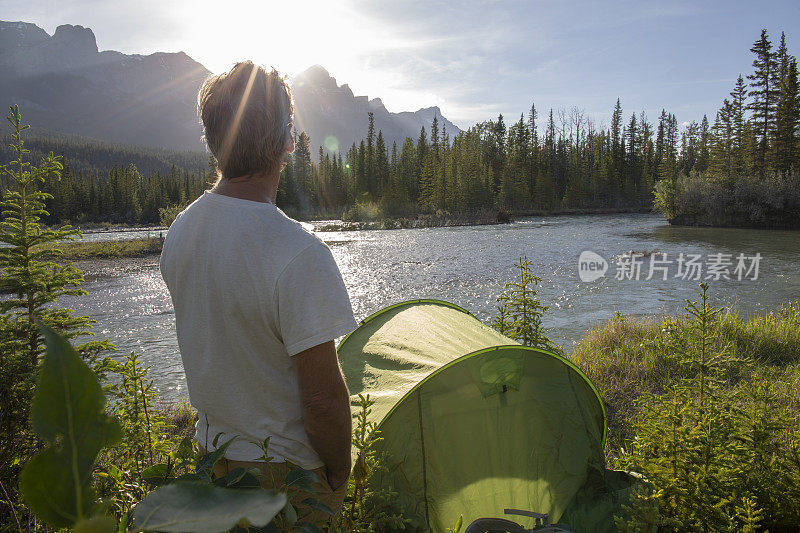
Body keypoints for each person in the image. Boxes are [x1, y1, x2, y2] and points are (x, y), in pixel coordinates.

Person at [159, 60, 357, 526]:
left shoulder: (180, 232)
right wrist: (341, 468)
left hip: (214, 458)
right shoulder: (299, 253)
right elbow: (323, 400)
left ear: (214, 142)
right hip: (287, 478)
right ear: (288, 141)